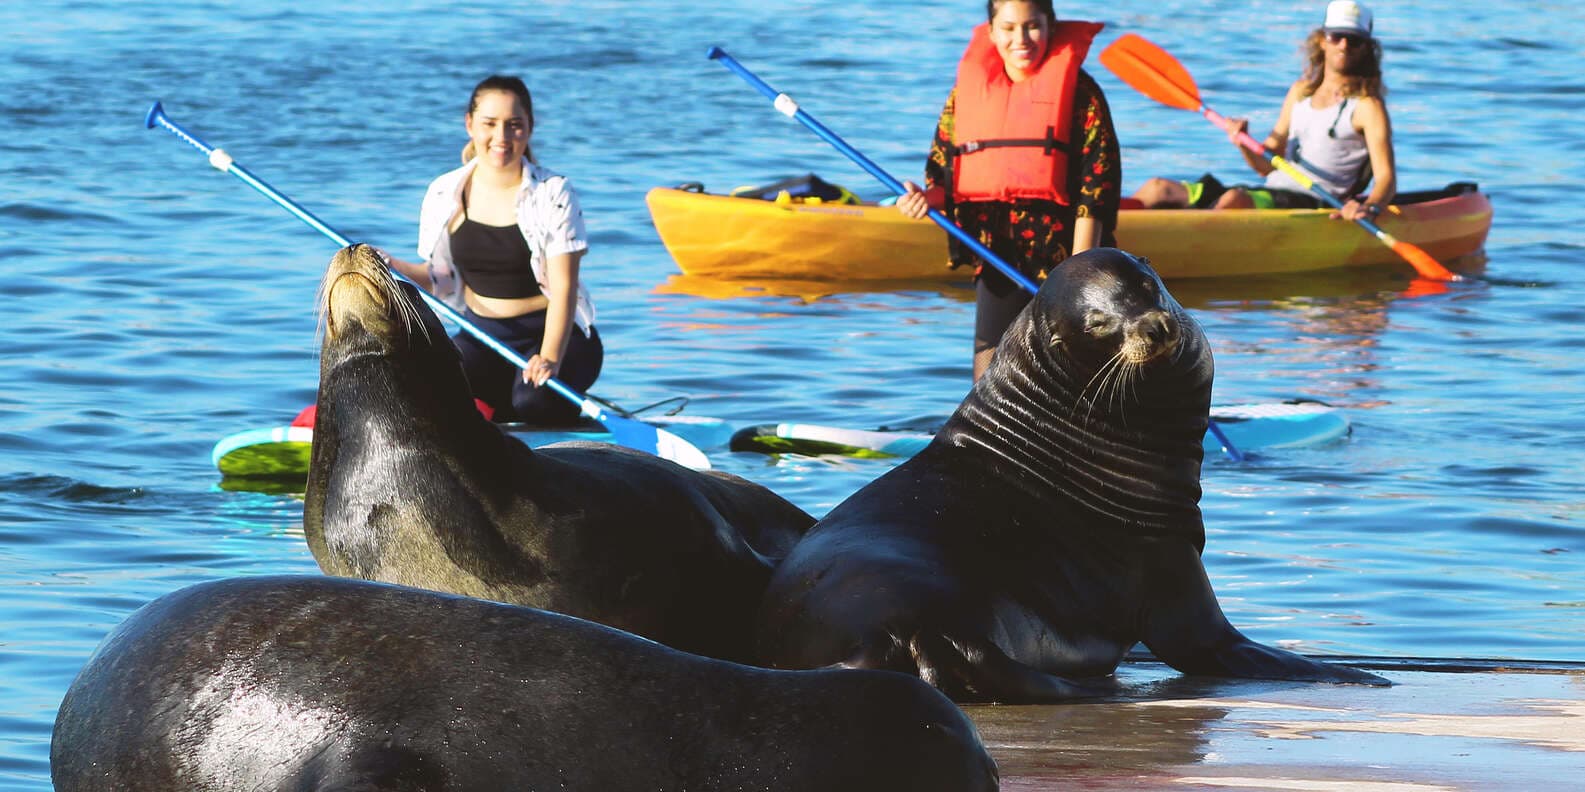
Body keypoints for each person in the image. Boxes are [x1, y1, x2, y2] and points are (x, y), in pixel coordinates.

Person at [897, 0, 1120, 382]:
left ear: (1050, 25)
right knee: (989, 379)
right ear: (991, 32)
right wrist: (924, 199)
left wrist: (1079, 272)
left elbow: (1095, 186)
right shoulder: (964, 95)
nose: (1022, 38)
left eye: (1032, 26)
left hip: (1066, 256)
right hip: (997, 253)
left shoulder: (1082, 93)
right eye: (1009, 27)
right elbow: (944, 177)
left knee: (1071, 376)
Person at [384, 75, 601, 425]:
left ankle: (543, 410)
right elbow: (442, 280)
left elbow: (564, 289)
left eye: (514, 125)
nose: (501, 137)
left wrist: (549, 358)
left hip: (557, 337)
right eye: (490, 124)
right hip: (484, 337)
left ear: (530, 128)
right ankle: (498, 411)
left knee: (533, 401)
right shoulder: (444, 192)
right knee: (421, 389)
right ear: (470, 125)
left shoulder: (554, 192)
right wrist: (392, 267)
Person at [1131, 0, 1395, 224]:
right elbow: (1264, 165)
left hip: (1314, 204)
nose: (1344, 45)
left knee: (1235, 200)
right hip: (1270, 193)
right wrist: (1243, 142)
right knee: (1158, 188)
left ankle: (1175, 249)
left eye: (1355, 40)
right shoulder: (1300, 93)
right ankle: (1107, 237)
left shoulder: (1367, 107)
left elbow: (1386, 178)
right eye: (1336, 36)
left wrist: (1369, 208)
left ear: (1367, 49)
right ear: (1322, 40)